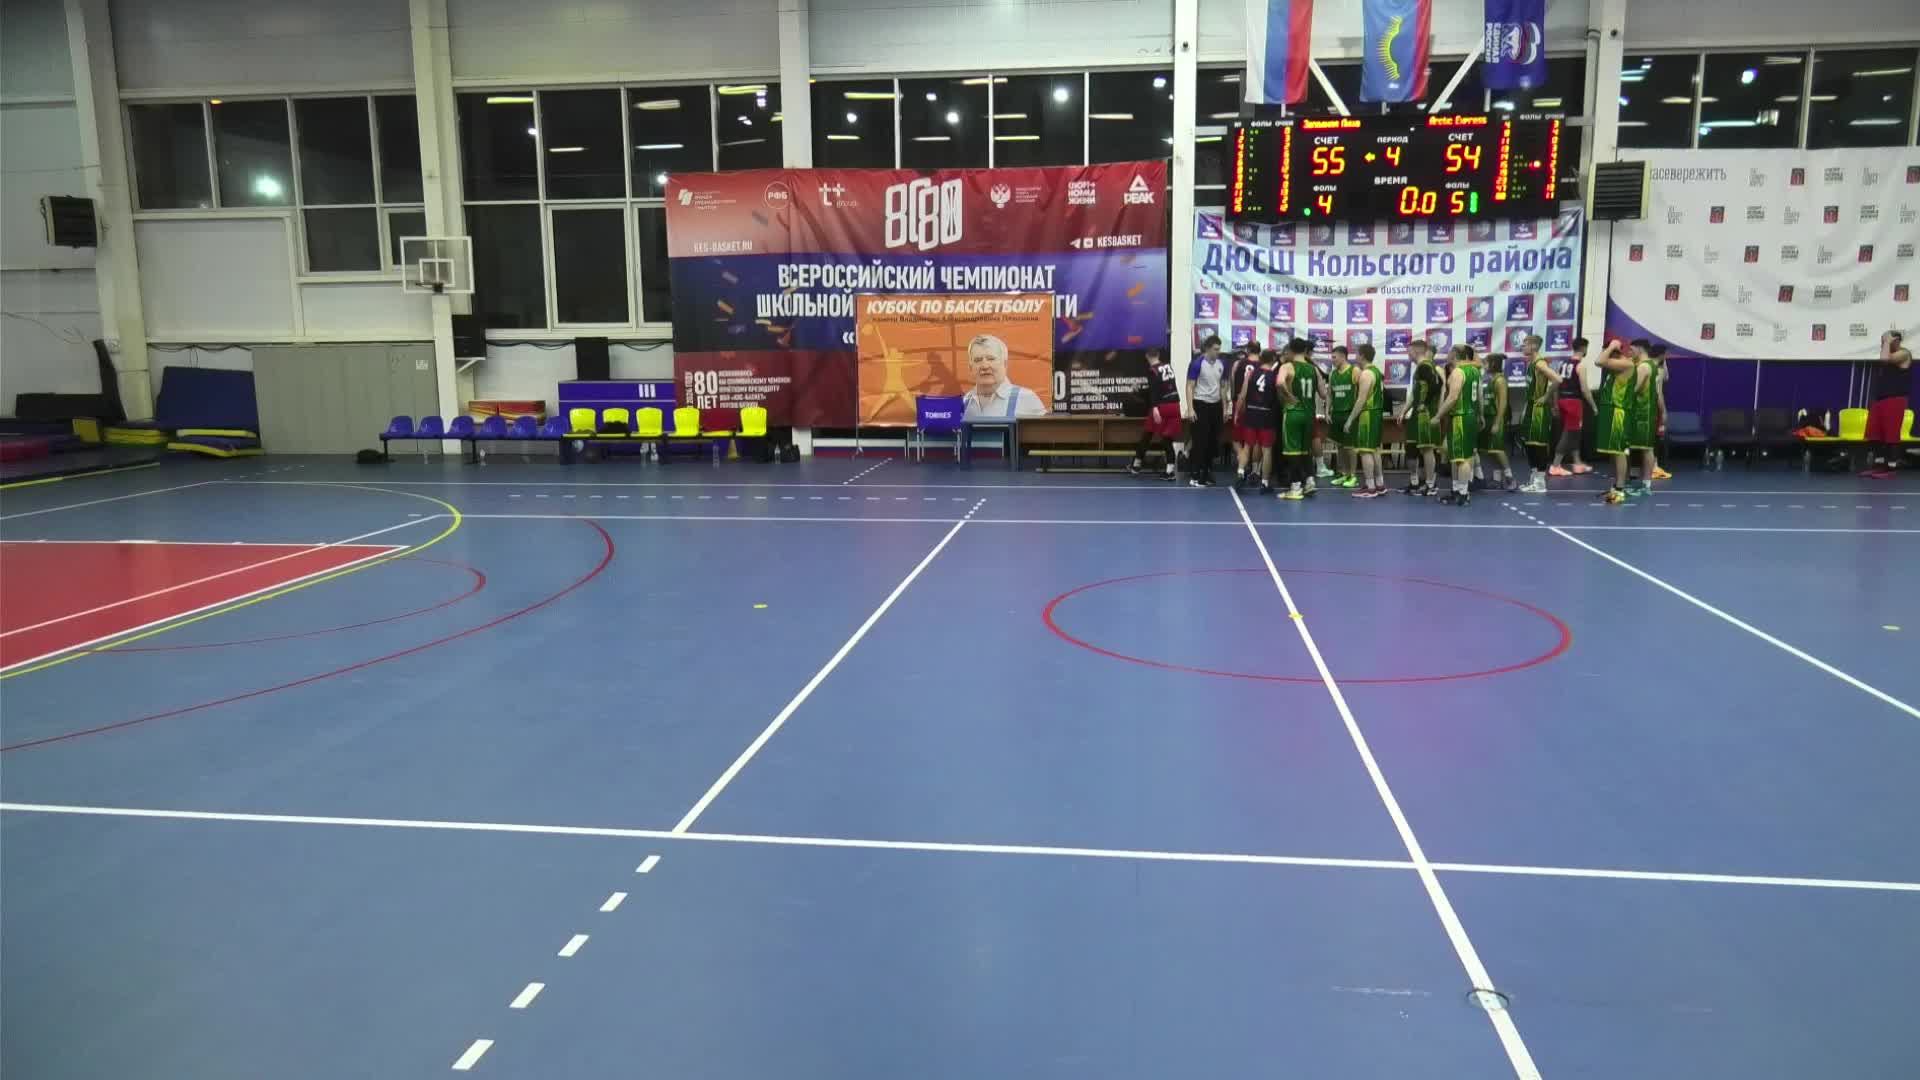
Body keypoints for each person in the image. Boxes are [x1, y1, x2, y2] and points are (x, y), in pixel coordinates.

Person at [1430, 345, 1484, 506]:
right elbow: (1480, 395)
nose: (1447, 355)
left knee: (1462, 459)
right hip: (1470, 416)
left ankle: (1463, 494)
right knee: (1458, 457)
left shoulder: (1458, 372)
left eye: (1450, 352)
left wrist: (1438, 416)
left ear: (1455, 355)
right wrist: (1481, 414)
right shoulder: (1475, 371)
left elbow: (1453, 397)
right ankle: (1457, 491)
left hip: (1460, 417)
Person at [1592, 340, 1638, 504]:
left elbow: (1599, 361)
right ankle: (1616, 485)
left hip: (1619, 411)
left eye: (1607, 351)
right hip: (1610, 410)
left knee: (1619, 451)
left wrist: (1612, 345)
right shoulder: (1616, 365)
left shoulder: (1627, 364)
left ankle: (1620, 488)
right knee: (1613, 450)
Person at [961, 334, 1047, 419]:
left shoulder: (1027, 399)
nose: (985, 366)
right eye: (978, 360)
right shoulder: (964, 403)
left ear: (1005, 364)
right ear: (970, 367)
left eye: (991, 359)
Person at [1130, 347, 1183, 482]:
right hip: (1175, 405)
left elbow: (1154, 391)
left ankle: (1136, 465)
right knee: (1167, 439)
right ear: (1158, 355)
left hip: (1161, 406)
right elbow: (1167, 386)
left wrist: (1154, 407)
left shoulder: (1153, 370)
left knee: (1147, 434)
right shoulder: (1168, 366)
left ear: (1147, 357)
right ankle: (1170, 471)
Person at [1863, 331, 1911, 479]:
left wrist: (1887, 341)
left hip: (1895, 400)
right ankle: (1878, 467)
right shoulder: (1887, 353)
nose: (1883, 342)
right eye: (1882, 340)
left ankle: (1891, 468)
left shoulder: (1904, 353)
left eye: (1885, 340)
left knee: (1891, 435)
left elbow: (1885, 359)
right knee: (1875, 435)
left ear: (1896, 340)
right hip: (1880, 400)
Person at [1234, 349, 1282, 494]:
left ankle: (1240, 473)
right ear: (1273, 359)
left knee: (1247, 446)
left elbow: (1242, 395)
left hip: (1251, 413)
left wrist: (1237, 413)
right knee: (1267, 450)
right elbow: (1279, 398)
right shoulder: (1275, 377)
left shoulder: (1250, 374)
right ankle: (1265, 483)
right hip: (1266, 415)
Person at [1400, 339, 1443, 496]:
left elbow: (1437, 386)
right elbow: (1416, 392)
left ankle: (1430, 484)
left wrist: (1425, 403)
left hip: (1425, 414)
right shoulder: (1421, 367)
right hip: (1416, 414)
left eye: (1409, 352)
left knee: (1427, 448)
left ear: (1416, 351)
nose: (1408, 355)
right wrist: (1405, 410)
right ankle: (1415, 482)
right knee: (1411, 446)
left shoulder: (1425, 366)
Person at [1344, 344, 1388, 498]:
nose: (1355, 356)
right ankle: (1379, 484)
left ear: (1362, 355)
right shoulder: (1377, 372)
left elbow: (1361, 399)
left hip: (1367, 415)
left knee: (1365, 451)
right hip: (1376, 414)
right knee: (1374, 450)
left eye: (1357, 353)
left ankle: (1370, 488)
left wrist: (1350, 420)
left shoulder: (1366, 373)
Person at [1276, 339, 1318, 500]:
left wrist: (1289, 396)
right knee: (1305, 449)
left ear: (1291, 351)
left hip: (1293, 412)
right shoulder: (1313, 369)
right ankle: (1310, 481)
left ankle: (1295, 487)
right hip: (1309, 414)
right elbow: (1322, 392)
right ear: (1305, 350)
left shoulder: (1287, 366)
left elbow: (1279, 382)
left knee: (1292, 451)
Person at [1185, 336, 1227, 487]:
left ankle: (1207, 472)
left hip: (1215, 406)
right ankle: (1195, 475)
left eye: (1219, 349)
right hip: (1200, 404)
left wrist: (1225, 408)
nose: (1218, 352)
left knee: (1212, 442)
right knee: (1200, 441)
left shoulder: (1222, 364)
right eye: (1215, 349)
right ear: (1208, 348)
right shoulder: (1197, 364)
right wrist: (1190, 408)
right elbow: (1189, 386)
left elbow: (1223, 386)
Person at [1518, 334, 1558, 493]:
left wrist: (1546, 397)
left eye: (1525, 344)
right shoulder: (1531, 363)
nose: (1522, 346)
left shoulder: (1540, 363)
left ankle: (1541, 482)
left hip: (1538, 410)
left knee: (1538, 445)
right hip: (1530, 406)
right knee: (1528, 444)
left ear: (1533, 346)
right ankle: (1534, 478)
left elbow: (1558, 379)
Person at [1551, 337, 1596, 476]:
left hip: (1562, 400)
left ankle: (1577, 463)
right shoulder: (1580, 366)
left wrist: (1555, 403)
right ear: (1583, 348)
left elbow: (1555, 385)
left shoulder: (1562, 364)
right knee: (1569, 434)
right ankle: (1555, 465)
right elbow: (1584, 389)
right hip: (1573, 403)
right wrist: (1593, 405)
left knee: (1575, 433)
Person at [1479, 352, 1513, 491]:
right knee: (1491, 451)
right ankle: (1497, 479)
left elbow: (1503, 403)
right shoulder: (1489, 379)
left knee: (1498, 450)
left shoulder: (1500, 380)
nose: (1483, 365)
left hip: (1495, 417)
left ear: (1493, 364)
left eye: (1486, 363)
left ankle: (1510, 478)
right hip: (1487, 418)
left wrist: (1497, 423)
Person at [1326, 345, 1358, 488]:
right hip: (1336, 414)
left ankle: (1353, 476)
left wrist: (1354, 415)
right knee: (1340, 446)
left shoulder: (1354, 371)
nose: (1332, 360)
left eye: (1334, 357)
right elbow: (1329, 394)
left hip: (1349, 413)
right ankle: (1344, 473)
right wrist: (1327, 411)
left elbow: (1360, 394)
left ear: (1343, 356)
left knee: (1350, 447)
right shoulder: (1332, 374)